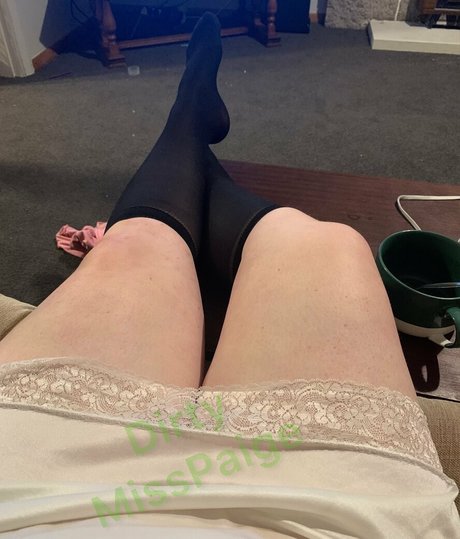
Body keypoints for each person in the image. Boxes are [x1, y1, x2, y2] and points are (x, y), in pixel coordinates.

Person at [0, 12, 458, 539]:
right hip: (332, 503)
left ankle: (188, 125)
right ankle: (190, 132)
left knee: (136, 245)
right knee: (330, 245)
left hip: (33, 479)